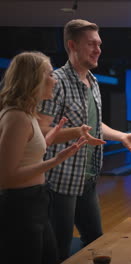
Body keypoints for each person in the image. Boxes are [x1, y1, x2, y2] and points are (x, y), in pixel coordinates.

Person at [38, 19, 131, 261]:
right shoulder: (56, 82)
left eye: (99, 44)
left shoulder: (93, 82)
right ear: (72, 46)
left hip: (87, 180)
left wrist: (121, 136)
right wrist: (78, 133)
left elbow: (95, 126)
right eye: (91, 44)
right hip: (60, 183)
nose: (98, 49)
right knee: (59, 249)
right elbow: (40, 133)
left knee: (96, 240)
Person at [0, 51, 87, 264]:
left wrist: (47, 140)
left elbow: (26, 155)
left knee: (49, 257)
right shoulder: (17, 117)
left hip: (34, 201)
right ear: (34, 79)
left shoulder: (27, 114)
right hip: (19, 206)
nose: (55, 80)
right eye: (49, 74)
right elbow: (6, 177)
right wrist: (56, 160)